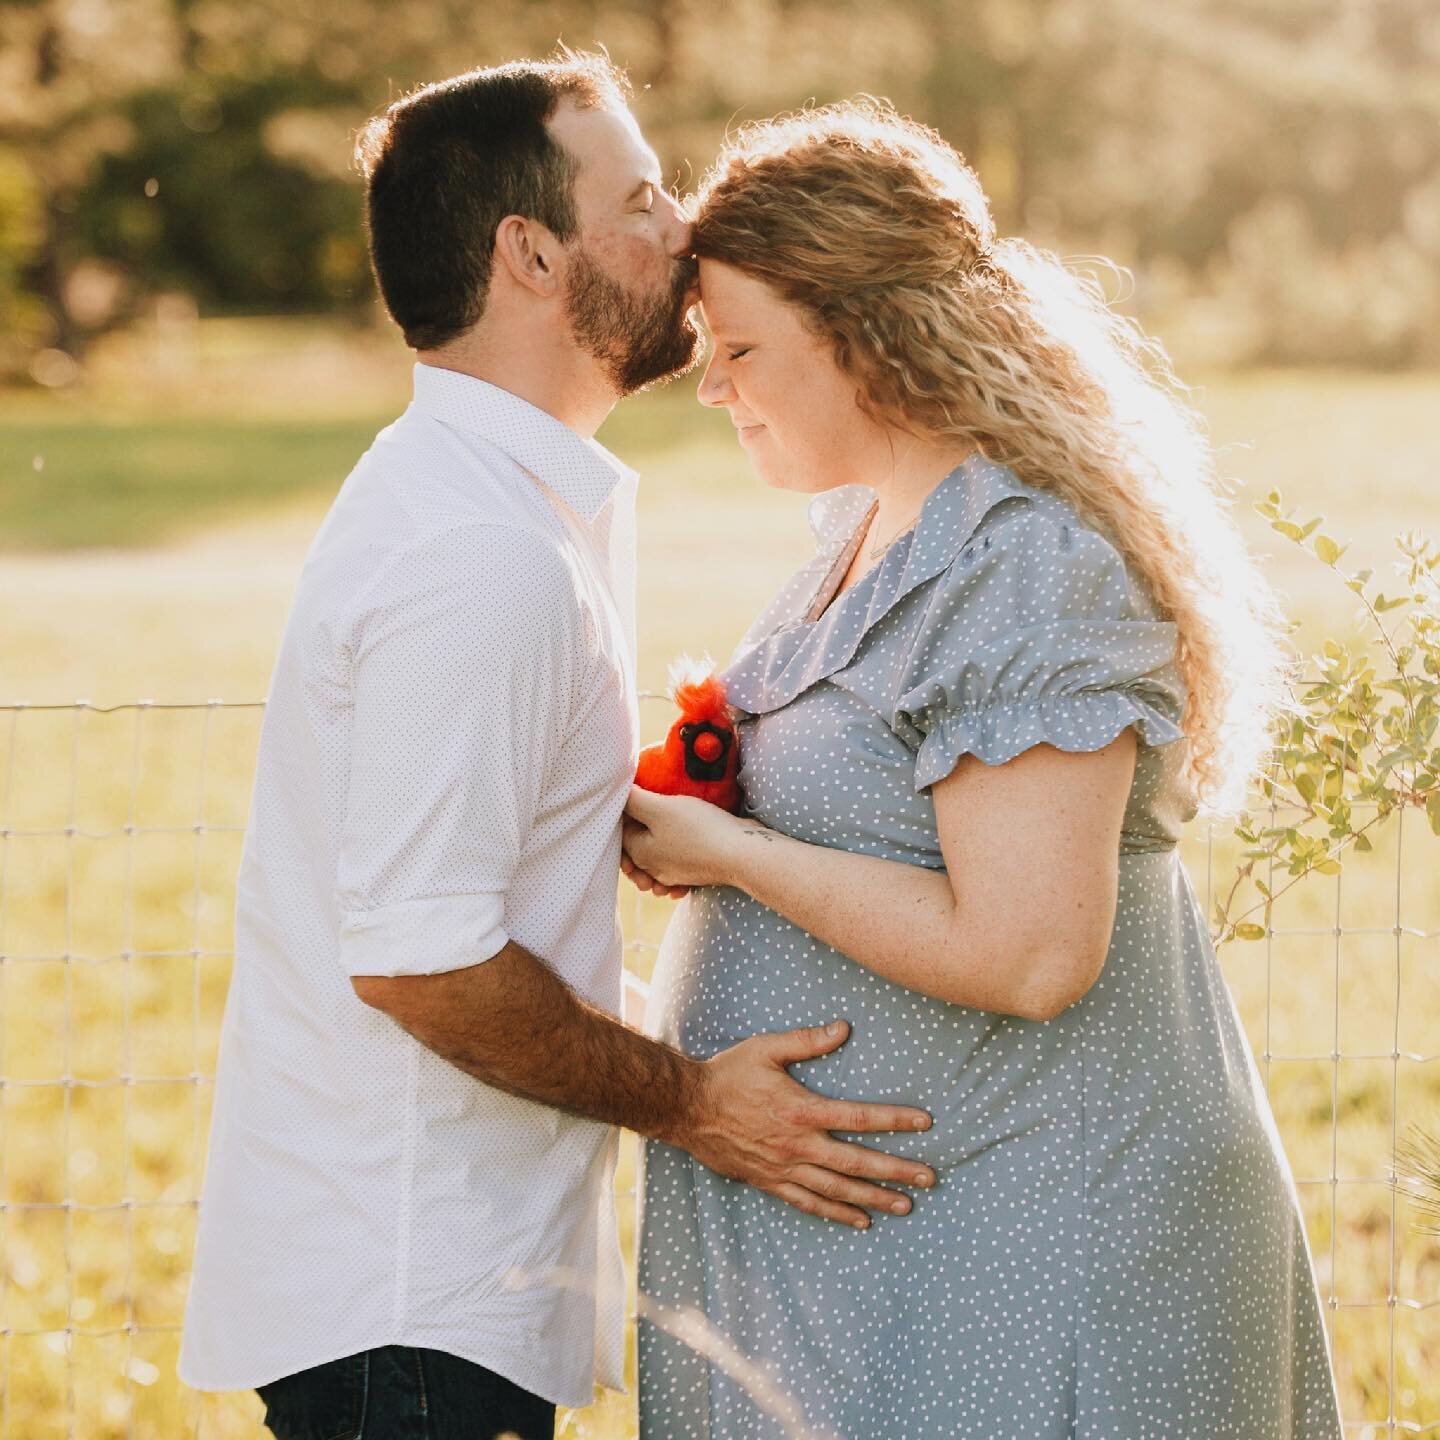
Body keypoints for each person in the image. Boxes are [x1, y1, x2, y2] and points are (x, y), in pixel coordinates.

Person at [178, 59, 938, 1440]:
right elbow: (422, 959)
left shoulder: (494, 502)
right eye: (641, 198)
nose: (683, 227)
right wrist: (699, 1104)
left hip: (431, 1299)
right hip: (408, 1307)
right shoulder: (481, 552)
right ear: (529, 252)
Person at [621, 100, 1346, 1438]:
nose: (712, 385)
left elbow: (1029, 954)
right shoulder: (868, 527)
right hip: (920, 1253)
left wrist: (733, 856)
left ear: (867, 340)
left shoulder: (1028, 567)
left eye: (740, 349)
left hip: (1048, 1244)